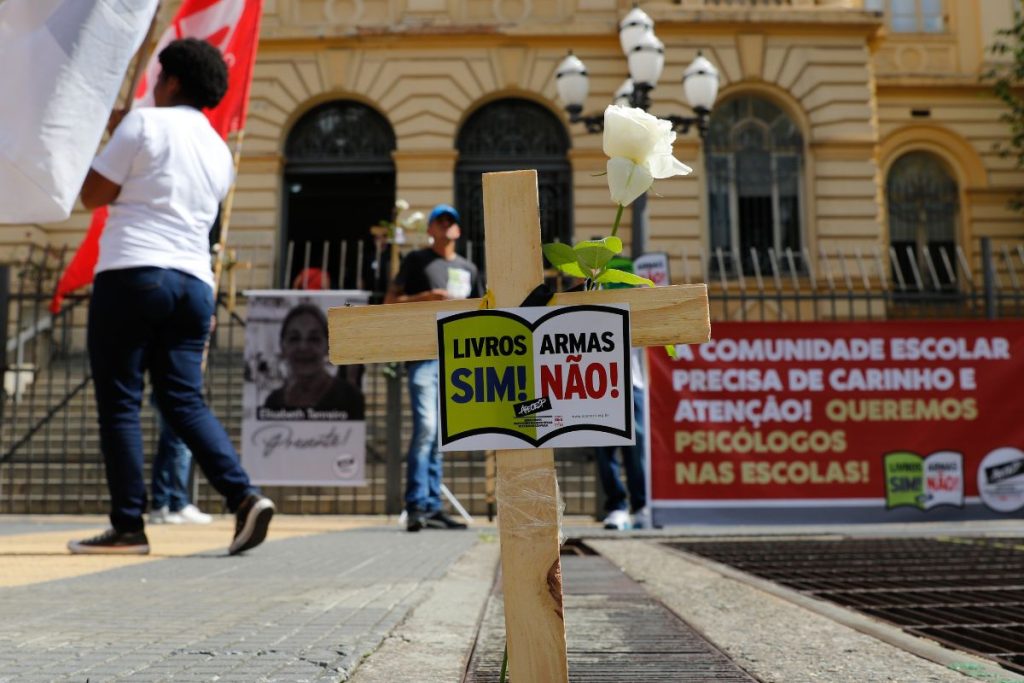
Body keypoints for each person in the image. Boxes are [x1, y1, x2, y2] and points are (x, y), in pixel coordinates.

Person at [68, 38, 274, 555]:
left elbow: (93, 195)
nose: (153, 87)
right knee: (182, 400)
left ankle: (128, 526)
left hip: (134, 271)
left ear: (173, 81)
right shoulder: (219, 149)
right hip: (193, 283)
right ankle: (243, 496)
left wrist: (109, 134)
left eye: (157, 78)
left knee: (120, 402)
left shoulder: (142, 123)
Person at [384, 203, 483, 532]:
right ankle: (415, 503)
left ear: (458, 230)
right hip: (424, 354)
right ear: (430, 229)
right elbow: (389, 303)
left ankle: (431, 505)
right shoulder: (415, 261)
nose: (446, 227)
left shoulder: (469, 268)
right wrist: (424, 298)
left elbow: (481, 311)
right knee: (426, 427)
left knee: (441, 434)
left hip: (458, 360)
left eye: (451, 222)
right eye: (439, 222)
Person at [262, 303, 364, 418]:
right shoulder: (273, 402)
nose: (303, 347)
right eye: (294, 338)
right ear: (282, 346)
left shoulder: (351, 398)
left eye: (314, 339)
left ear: (328, 345)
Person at [596, 349, 649, 529]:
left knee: (638, 444)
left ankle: (642, 505)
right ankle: (617, 506)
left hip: (634, 380)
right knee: (604, 444)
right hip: (598, 379)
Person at [148, 398, 213, 525]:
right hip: (174, 394)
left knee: (168, 447)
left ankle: (161, 504)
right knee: (179, 446)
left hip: (164, 393)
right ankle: (178, 504)